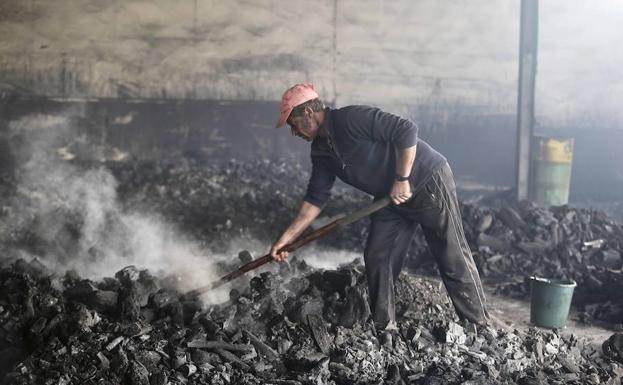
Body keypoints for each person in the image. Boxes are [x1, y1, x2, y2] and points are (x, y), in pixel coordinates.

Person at [270, 83, 489, 329]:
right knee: (378, 254)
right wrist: (286, 239)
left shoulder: (350, 119)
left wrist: (402, 179)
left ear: (308, 113)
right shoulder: (321, 151)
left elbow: (407, 130)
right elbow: (315, 199)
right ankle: (384, 325)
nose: (293, 132)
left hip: (426, 179)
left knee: (449, 253)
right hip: (389, 196)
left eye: (293, 123)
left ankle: (478, 325)